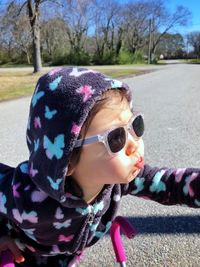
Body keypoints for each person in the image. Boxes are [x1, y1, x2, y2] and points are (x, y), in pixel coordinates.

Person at [0, 67, 200, 267]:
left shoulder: (118, 182)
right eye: (115, 138)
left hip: (68, 255)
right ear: (66, 161)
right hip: (24, 257)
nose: (134, 144)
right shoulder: (25, 195)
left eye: (134, 124)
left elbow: (171, 183)